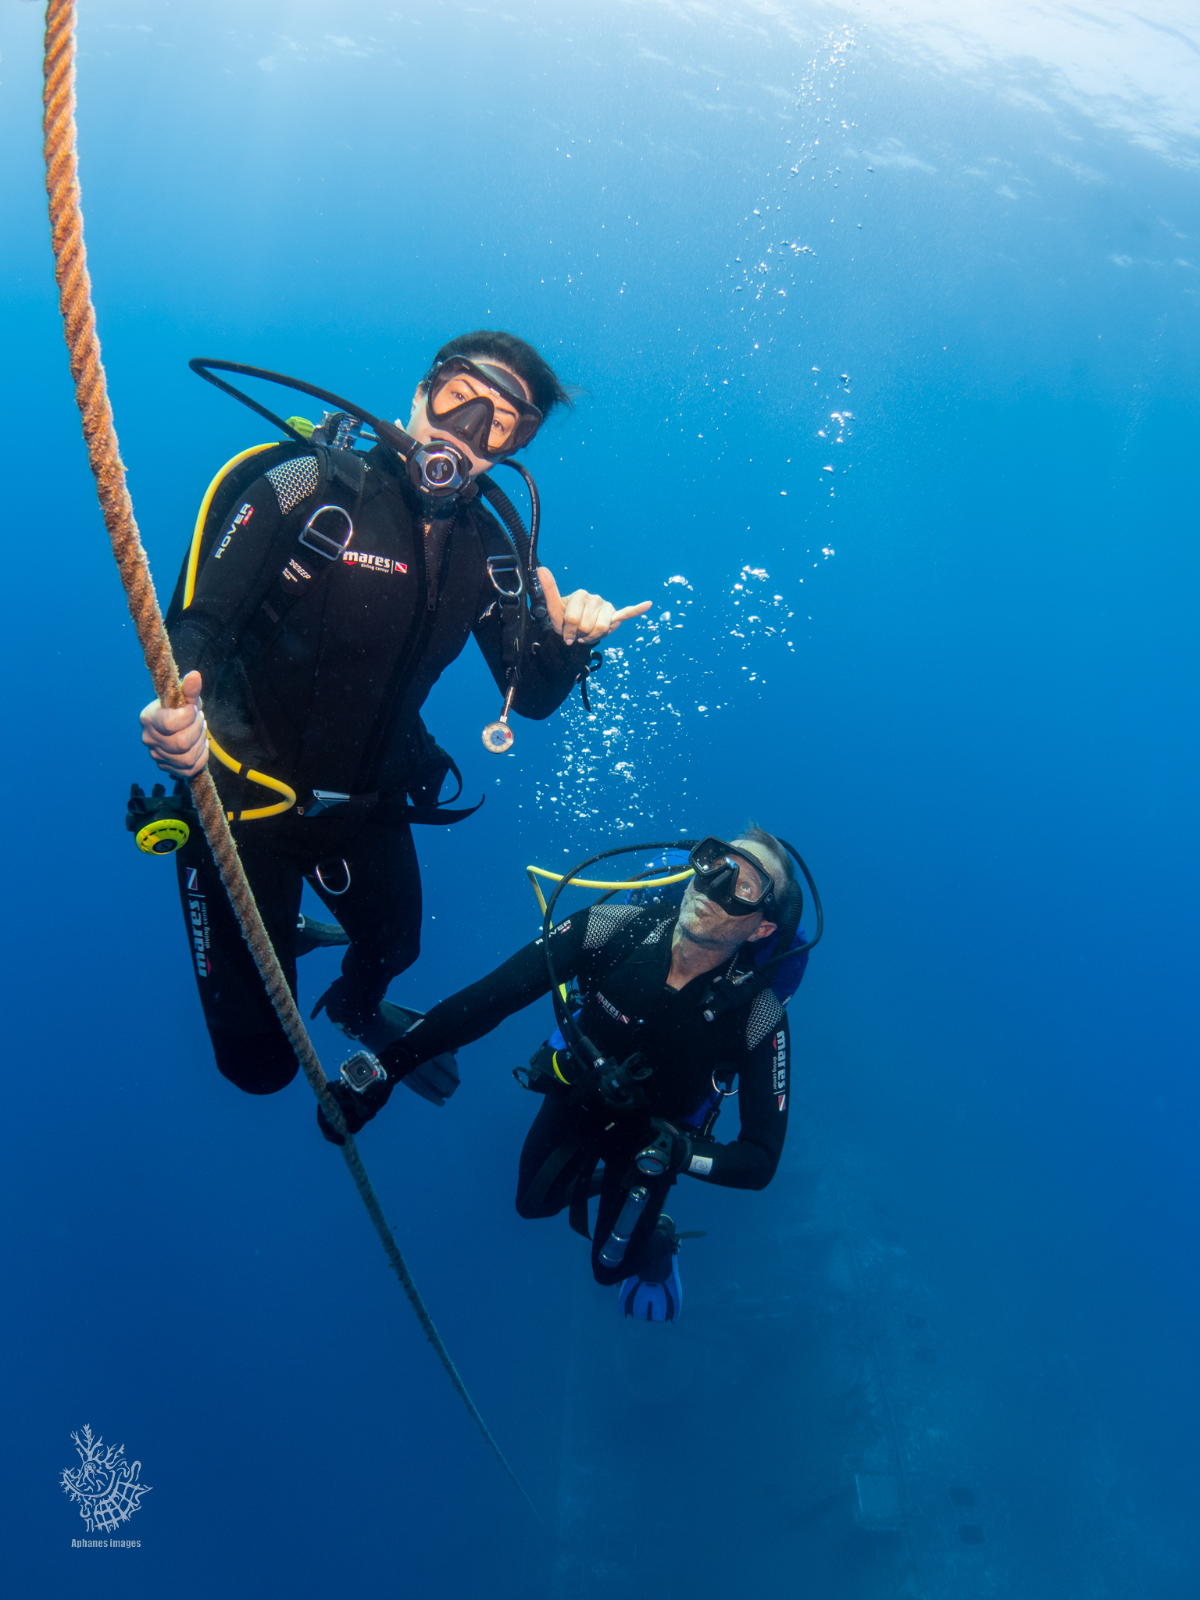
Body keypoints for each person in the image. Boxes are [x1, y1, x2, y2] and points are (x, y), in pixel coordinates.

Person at [140, 331, 651, 1097]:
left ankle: (352, 1005)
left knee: (393, 948)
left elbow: (535, 698)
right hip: (241, 807)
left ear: (518, 446)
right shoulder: (301, 485)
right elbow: (195, 625)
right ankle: (281, 936)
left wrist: (572, 640)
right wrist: (179, 706)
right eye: (460, 398)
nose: (470, 431)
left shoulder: (493, 548)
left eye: (504, 423)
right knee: (260, 1070)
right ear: (421, 391)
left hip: (365, 801)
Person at [319, 828, 810, 1322]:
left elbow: (760, 1160)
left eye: (744, 885)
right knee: (531, 1205)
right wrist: (387, 1070)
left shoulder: (760, 1017)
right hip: (579, 1093)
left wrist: (681, 1152)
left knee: (609, 1268)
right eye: (715, 863)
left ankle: (659, 1236)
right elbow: (490, 999)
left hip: (652, 1147)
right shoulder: (611, 928)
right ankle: (600, 1184)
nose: (713, 886)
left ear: (762, 929)